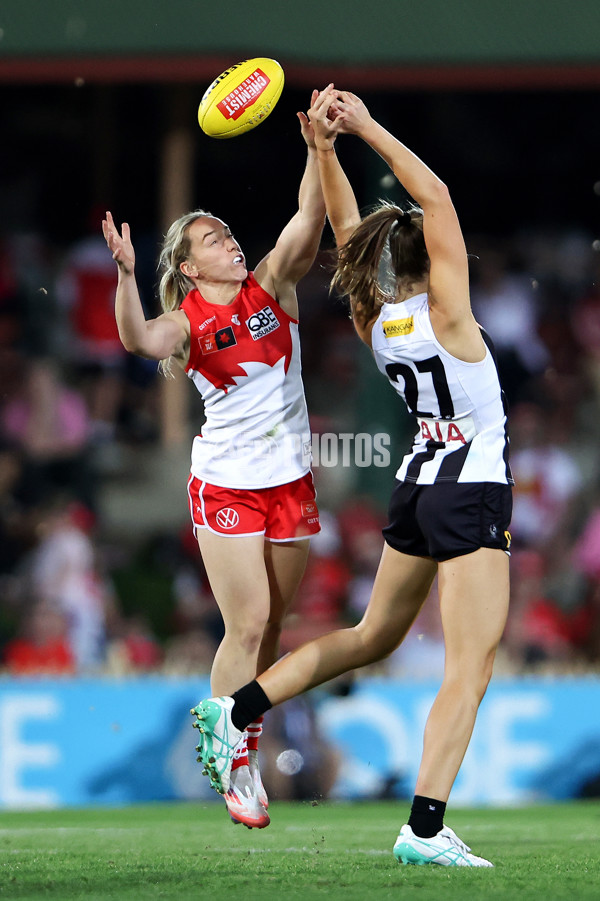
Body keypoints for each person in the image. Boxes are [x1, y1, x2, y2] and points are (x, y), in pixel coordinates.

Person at [190, 86, 513, 868]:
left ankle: (237, 708)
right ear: (430, 263)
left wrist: (327, 152)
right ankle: (426, 826)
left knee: (372, 636)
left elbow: (346, 231)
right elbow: (432, 194)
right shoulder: (451, 317)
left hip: (418, 483)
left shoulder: (379, 322)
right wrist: (365, 126)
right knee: (469, 665)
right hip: (471, 486)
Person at [102, 97, 326, 829]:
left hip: (291, 481)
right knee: (249, 618)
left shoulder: (273, 286)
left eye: (226, 230)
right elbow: (137, 338)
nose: (227, 240)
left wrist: (317, 148)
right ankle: (228, 756)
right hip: (227, 484)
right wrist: (125, 274)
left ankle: (245, 746)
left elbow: (308, 220)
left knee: (271, 631)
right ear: (188, 264)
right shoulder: (187, 322)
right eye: (210, 237)